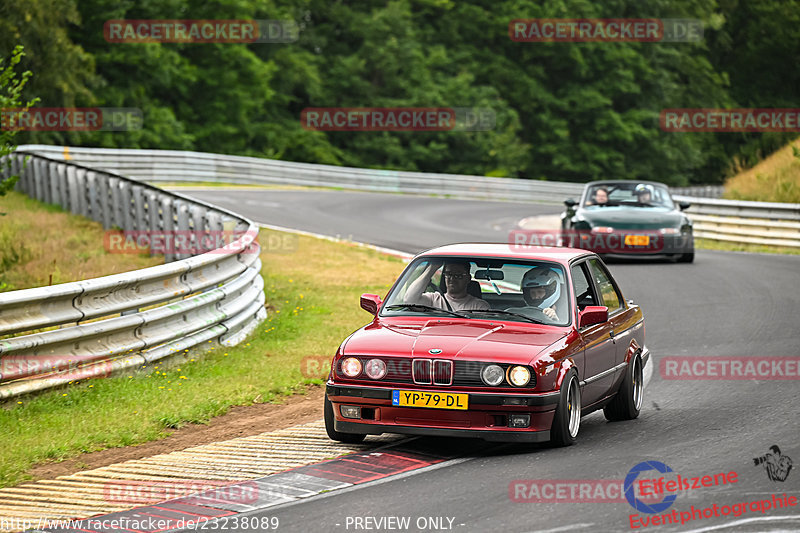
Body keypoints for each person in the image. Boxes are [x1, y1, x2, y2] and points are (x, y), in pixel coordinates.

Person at [404, 260, 489, 311]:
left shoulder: (479, 306)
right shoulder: (433, 300)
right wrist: (432, 268)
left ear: (468, 279)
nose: (452, 278)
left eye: (458, 275)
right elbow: (409, 300)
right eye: (448, 274)